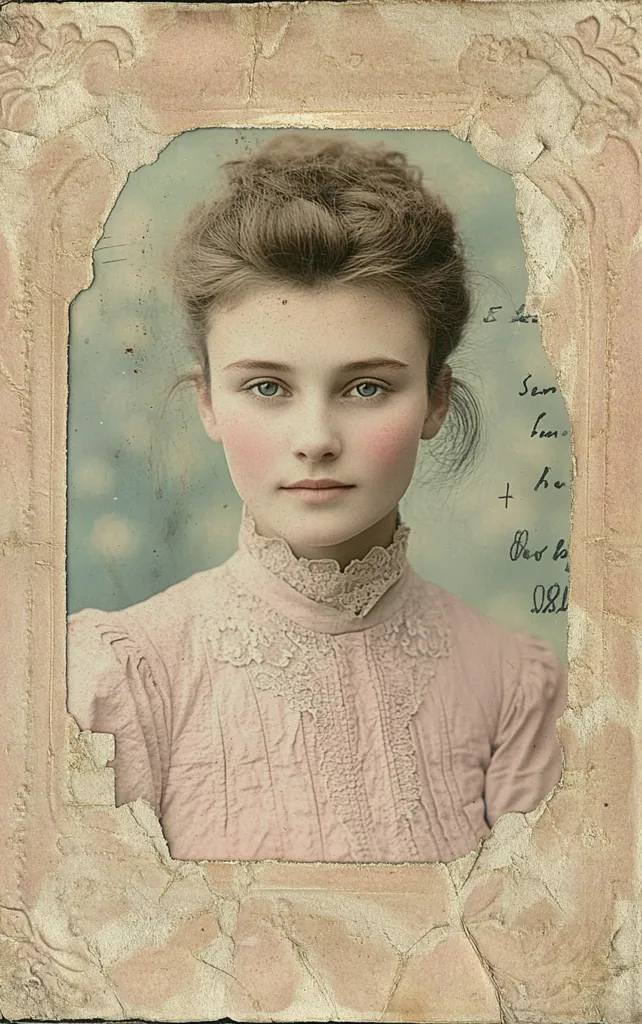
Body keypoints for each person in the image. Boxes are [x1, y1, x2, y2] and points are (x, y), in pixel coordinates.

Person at [67, 132, 567, 864]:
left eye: (367, 387)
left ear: (434, 400)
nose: (315, 438)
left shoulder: (516, 685)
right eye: (266, 387)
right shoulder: (124, 676)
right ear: (209, 402)